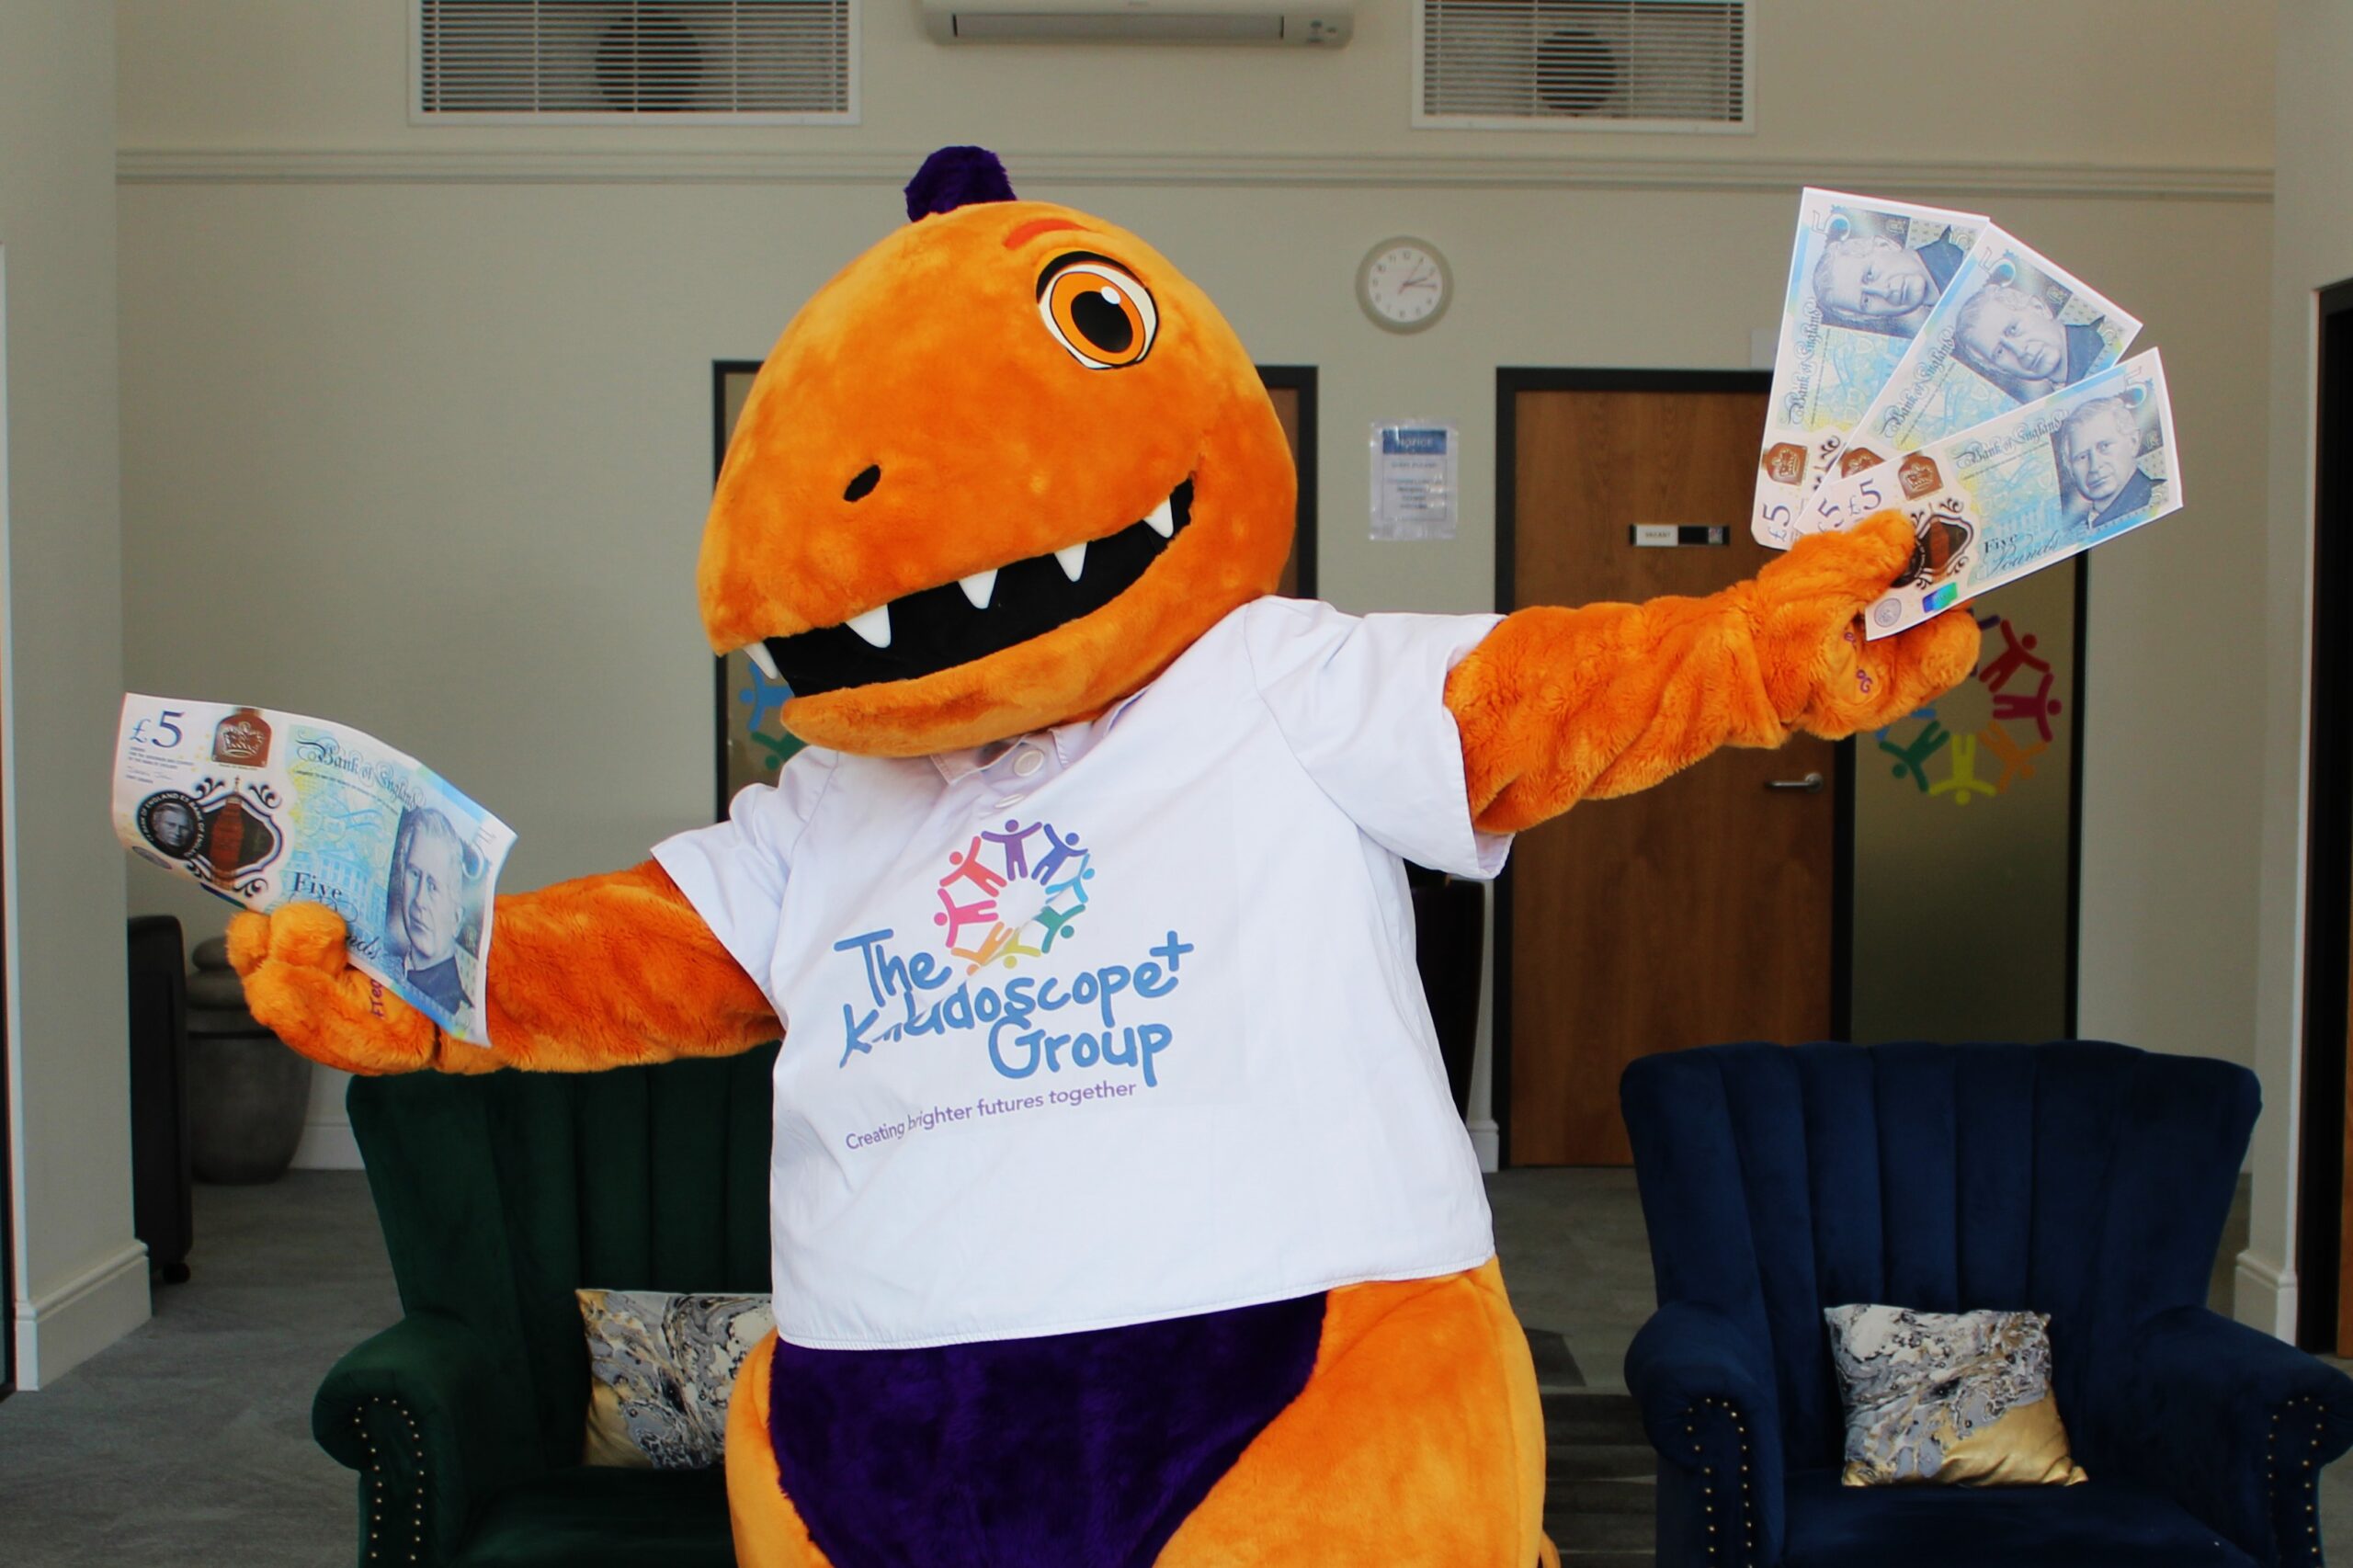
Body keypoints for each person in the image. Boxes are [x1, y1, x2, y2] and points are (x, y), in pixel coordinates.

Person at [1952, 282, 2113, 403]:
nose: (2020, 351)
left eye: (2013, 329)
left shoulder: (2107, 343)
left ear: (2039, 308)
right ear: (2000, 369)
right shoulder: (2065, 406)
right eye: (1999, 352)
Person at [385, 806, 471, 1013]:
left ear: (456, 919)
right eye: (414, 874)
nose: (419, 900)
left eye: (433, 886)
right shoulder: (389, 966)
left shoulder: (457, 1010)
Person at [1813, 222, 1966, 335]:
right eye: (1866, 301)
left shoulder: (1963, 250)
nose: (1884, 292)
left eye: (1869, 274)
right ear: (1874, 316)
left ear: (1885, 244)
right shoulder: (1949, 328)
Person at [2058, 396, 2155, 530]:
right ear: (2070, 470)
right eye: (2082, 457)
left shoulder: (2159, 501)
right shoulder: (2076, 532)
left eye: (2104, 446)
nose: (2094, 466)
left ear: (2133, 442)